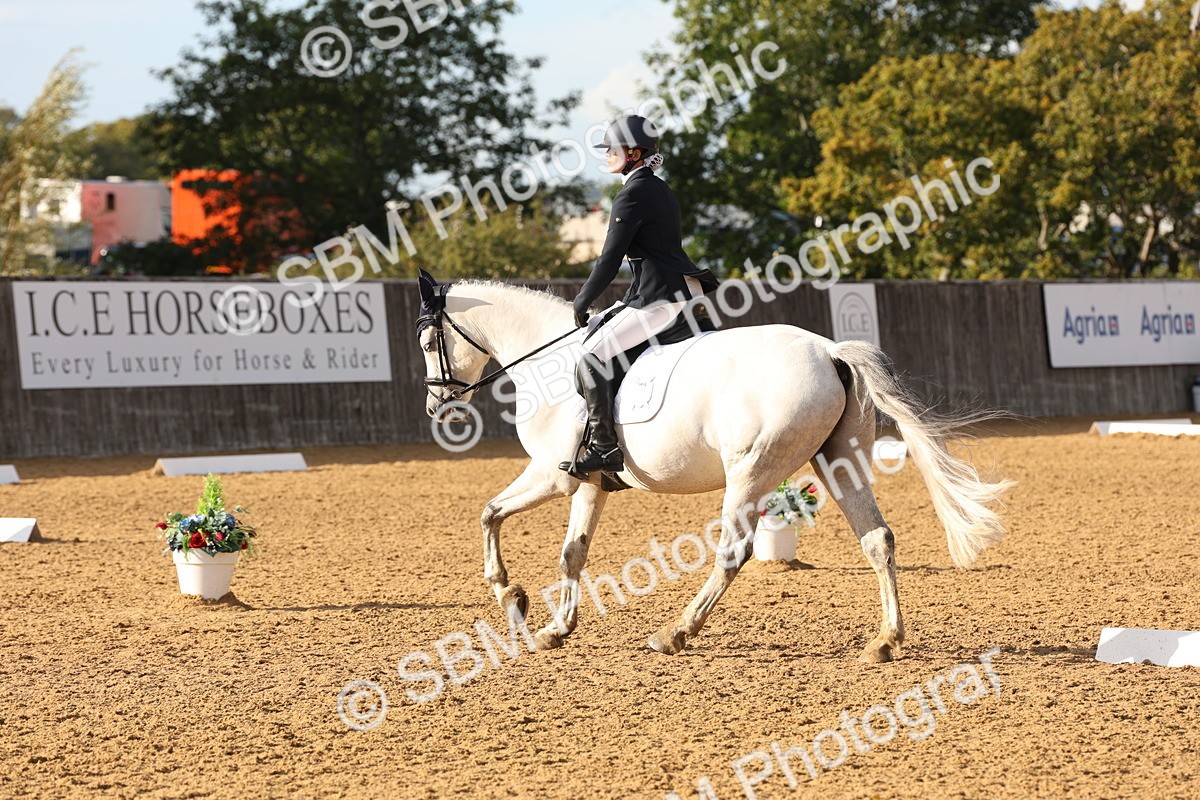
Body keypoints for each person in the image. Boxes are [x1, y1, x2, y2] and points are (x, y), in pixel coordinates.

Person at [560, 114, 719, 478]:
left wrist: (582, 300)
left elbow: (610, 259)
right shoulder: (660, 188)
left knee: (592, 357)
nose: (606, 155)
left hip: (658, 299)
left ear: (632, 152)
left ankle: (604, 448)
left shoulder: (631, 195)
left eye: (612, 150)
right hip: (679, 292)